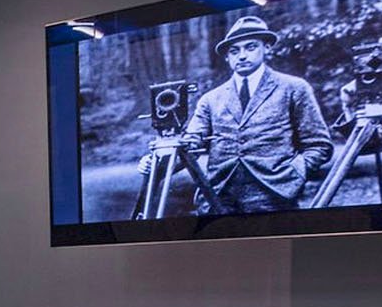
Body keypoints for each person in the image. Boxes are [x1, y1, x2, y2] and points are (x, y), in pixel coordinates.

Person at [141, 15, 334, 214]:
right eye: (234, 51)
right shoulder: (211, 99)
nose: (242, 56)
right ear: (227, 57)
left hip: (275, 195)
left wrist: (295, 172)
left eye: (250, 47)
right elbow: (191, 145)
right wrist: (159, 161)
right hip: (218, 197)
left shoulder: (293, 88)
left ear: (266, 47)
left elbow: (319, 145)